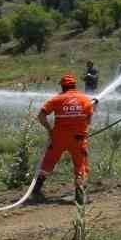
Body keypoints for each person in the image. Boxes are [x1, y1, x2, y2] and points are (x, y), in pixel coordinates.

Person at [33, 74, 96, 204]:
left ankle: (36, 188)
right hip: (78, 138)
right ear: (75, 86)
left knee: (49, 161)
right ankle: (79, 190)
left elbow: (41, 116)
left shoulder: (57, 99)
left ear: (62, 86)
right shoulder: (85, 100)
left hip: (59, 138)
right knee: (81, 165)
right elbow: (88, 121)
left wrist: (50, 130)